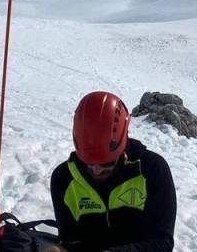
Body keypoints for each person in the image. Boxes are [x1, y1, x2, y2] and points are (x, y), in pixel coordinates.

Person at [49, 91, 176, 251]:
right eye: (87, 163)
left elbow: (162, 243)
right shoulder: (64, 178)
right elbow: (70, 239)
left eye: (107, 164)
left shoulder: (152, 170)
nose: (96, 170)